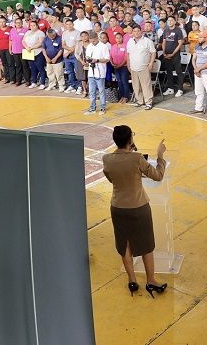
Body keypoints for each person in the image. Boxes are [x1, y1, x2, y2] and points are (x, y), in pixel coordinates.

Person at [102, 126, 168, 297]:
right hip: (139, 208)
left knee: (124, 244)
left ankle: (132, 280)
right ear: (130, 140)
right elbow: (158, 175)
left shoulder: (107, 159)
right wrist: (160, 156)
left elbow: (111, 178)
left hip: (117, 207)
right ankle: (151, 280)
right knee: (146, 245)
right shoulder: (137, 159)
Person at [127, 25, 156, 110]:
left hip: (144, 67)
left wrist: (150, 64)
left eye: (138, 31)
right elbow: (128, 54)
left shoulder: (147, 41)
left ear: (141, 31)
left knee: (146, 85)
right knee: (136, 85)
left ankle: (148, 102)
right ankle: (139, 101)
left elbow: (153, 53)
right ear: (132, 32)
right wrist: (128, 65)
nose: (136, 33)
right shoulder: (130, 41)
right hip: (133, 67)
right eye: (134, 31)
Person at [191, 31, 207, 118]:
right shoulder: (197, 46)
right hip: (198, 72)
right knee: (198, 91)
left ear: (206, 38)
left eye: (201, 37)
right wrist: (195, 69)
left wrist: (199, 69)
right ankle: (199, 108)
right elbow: (193, 59)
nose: (199, 39)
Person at [84, 32, 109, 115]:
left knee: (101, 91)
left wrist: (97, 60)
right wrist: (89, 60)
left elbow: (107, 59)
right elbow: (87, 57)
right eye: (91, 41)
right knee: (91, 91)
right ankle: (92, 108)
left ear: (97, 39)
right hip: (91, 71)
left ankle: (102, 108)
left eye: (94, 41)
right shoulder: (89, 46)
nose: (92, 43)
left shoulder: (103, 46)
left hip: (100, 71)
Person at [160, 15, 186, 98]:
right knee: (169, 72)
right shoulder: (166, 30)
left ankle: (180, 89)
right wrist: (164, 52)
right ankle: (170, 88)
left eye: (171, 20)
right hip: (166, 54)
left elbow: (180, 44)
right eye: (168, 21)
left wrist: (173, 54)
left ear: (175, 21)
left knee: (178, 72)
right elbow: (164, 42)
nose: (170, 22)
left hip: (175, 55)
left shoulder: (178, 30)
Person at [23, 20, 47, 89]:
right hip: (29, 52)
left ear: (37, 26)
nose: (32, 27)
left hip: (38, 52)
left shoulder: (40, 33)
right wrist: (26, 47)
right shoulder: (27, 32)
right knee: (32, 68)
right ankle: (34, 82)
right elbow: (23, 41)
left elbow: (40, 43)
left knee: (40, 68)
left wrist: (31, 47)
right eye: (31, 25)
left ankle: (42, 83)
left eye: (34, 25)